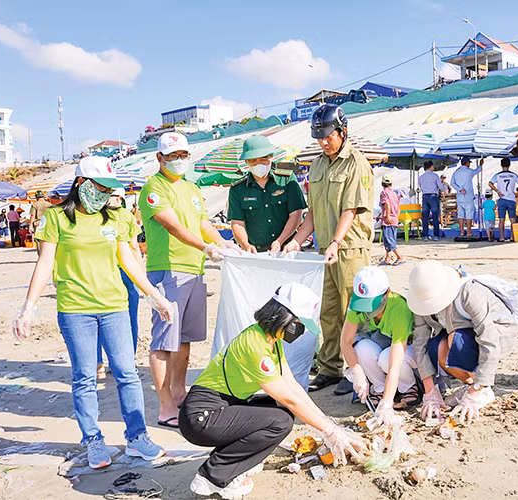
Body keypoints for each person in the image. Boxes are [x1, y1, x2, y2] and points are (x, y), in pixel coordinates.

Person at [12, 156, 174, 470]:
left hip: (115, 306)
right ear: (81, 184)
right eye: (100, 187)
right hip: (75, 310)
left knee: (127, 375)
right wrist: (28, 309)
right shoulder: (57, 218)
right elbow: (45, 263)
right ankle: (93, 441)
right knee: (84, 378)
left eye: (109, 189)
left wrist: (154, 295)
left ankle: (138, 438)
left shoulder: (118, 217)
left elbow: (129, 260)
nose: (104, 194)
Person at [180, 284, 366, 499]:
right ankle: (214, 476)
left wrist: (328, 424)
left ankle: (237, 463)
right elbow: (290, 399)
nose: (301, 330)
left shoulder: (271, 341)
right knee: (279, 421)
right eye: (299, 324)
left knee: (275, 409)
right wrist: (331, 433)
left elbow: (293, 388)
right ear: (284, 317)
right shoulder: (255, 345)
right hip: (201, 416)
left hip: (222, 407)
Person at [139, 132, 241, 428]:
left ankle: (179, 391)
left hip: (193, 270)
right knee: (163, 340)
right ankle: (165, 406)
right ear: (160, 158)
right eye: (173, 157)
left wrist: (223, 243)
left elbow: (201, 223)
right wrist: (206, 247)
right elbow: (173, 226)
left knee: (184, 340)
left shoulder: (192, 188)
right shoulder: (153, 188)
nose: (180, 161)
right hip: (167, 270)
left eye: (184, 155)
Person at [283, 104, 374, 395]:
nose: (323, 141)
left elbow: (350, 209)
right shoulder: (318, 164)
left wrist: (335, 242)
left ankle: (357, 370)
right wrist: (298, 240)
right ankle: (330, 367)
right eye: (319, 137)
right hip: (326, 249)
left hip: (350, 248)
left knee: (354, 310)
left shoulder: (356, 163)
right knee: (329, 312)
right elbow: (313, 212)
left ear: (342, 131)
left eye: (328, 135)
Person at [406, 260, 518, 424]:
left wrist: (474, 394)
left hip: (496, 335)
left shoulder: (469, 292)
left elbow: (489, 340)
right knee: (436, 347)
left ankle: (481, 389)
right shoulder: (420, 301)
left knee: (455, 340)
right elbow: (420, 342)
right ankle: (472, 384)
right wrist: (430, 391)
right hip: (460, 336)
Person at [341, 267, 418, 426]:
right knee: (361, 348)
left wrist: (387, 403)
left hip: (409, 350)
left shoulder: (399, 308)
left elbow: (395, 363)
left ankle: (409, 387)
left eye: (371, 303)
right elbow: (345, 342)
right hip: (383, 343)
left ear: (386, 293)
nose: (367, 309)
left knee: (386, 359)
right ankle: (379, 389)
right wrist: (358, 373)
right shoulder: (356, 303)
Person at [228, 135, 307, 253]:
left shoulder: (286, 180)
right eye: (252, 160)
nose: (258, 163)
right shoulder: (237, 189)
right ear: (246, 162)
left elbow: (296, 214)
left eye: (263, 158)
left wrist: (279, 241)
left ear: (271, 156)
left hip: (286, 249)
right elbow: (237, 223)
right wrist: (245, 245)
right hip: (255, 252)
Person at [96, 188, 142, 380]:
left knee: (101, 316)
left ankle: (105, 362)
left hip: (114, 270)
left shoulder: (95, 215)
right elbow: (134, 248)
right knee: (123, 316)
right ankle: (120, 360)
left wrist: (139, 273)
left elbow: (134, 246)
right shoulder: (123, 216)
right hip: (115, 270)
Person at [488, 158, 518, 241]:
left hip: (502, 199)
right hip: (511, 199)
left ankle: (502, 237)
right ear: (509, 165)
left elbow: (490, 183)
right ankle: (512, 237)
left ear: (501, 165)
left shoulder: (498, 175)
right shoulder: (514, 175)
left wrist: (497, 191)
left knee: (501, 220)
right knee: (512, 219)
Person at [450, 158, 483, 238]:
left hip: (460, 197)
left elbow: (452, 183)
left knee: (460, 215)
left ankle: (461, 232)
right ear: (467, 163)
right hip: (468, 197)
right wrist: (480, 164)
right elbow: (477, 171)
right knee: (469, 215)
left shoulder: (456, 172)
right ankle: (468, 232)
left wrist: (460, 189)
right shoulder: (469, 171)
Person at [380, 175, 404, 265]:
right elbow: (399, 208)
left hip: (388, 220)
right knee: (390, 239)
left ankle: (399, 257)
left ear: (382, 183)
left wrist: (388, 216)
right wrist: (395, 218)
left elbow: (386, 204)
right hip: (394, 219)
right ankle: (387, 258)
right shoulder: (395, 194)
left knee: (388, 239)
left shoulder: (384, 193)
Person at [417, 160, 443, 241]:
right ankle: (436, 235)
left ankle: (425, 235)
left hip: (425, 196)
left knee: (425, 217)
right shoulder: (435, 176)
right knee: (435, 216)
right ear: (431, 167)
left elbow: (419, 188)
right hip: (433, 196)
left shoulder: (421, 177)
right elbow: (441, 187)